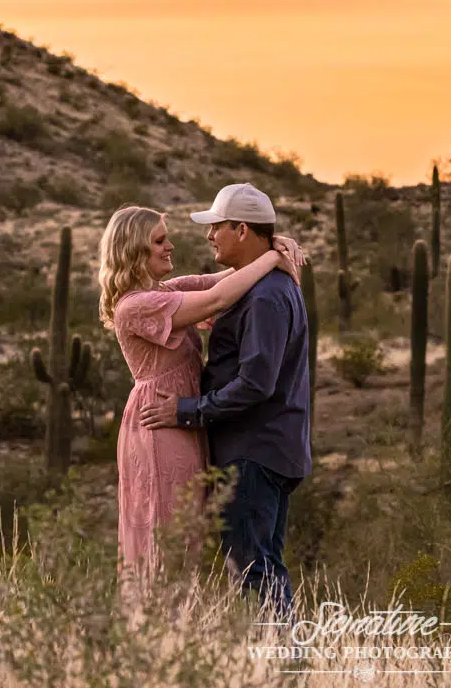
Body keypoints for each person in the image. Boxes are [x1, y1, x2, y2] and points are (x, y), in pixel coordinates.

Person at [100, 203, 300, 580]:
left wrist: (271, 245)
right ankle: (156, 625)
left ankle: (176, 629)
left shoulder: (164, 292)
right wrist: (273, 257)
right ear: (133, 250)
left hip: (184, 416)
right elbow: (218, 299)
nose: (170, 246)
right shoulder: (136, 307)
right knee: (164, 527)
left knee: (185, 530)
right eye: (159, 241)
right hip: (161, 419)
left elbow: (223, 279)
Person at [138, 182, 312, 614]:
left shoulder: (267, 296)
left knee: (252, 569)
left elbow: (255, 384)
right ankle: (284, 665)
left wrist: (185, 411)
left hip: (254, 451)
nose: (209, 236)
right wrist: (276, 249)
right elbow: (202, 291)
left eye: (216, 227)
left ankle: (279, 666)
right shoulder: (258, 287)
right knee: (262, 565)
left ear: (241, 230)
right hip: (265, 447)